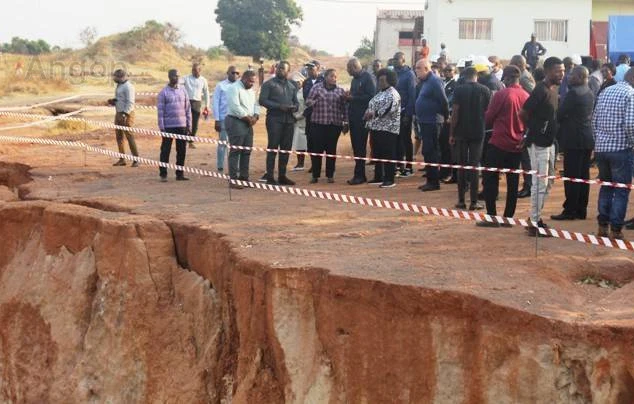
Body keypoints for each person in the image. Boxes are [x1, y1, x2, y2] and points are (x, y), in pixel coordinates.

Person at [477, 66, 530, 228]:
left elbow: (489, 117)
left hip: (499, 142)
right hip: (517, 144)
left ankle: (492, 217)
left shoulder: (502, 94)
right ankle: (508, 218)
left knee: (490, 179)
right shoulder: (526, 95)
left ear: (506, 79)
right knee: (512, 182)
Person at [520, 56, 565, 236]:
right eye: (558, 71)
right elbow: (522, 112)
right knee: (539, 184)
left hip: (550, 143)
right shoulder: (540, 90)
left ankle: (534, 218)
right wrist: (533, 130)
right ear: (547, 71)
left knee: (548, 182)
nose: (562, 74)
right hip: (539, 144)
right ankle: (535, 222)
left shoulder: (553, 90)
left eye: (563, 71)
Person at [592, 68, 634, 240]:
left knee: (606, 187)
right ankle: (616, 230)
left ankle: (603, 227)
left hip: (602, 150)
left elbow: (594, 121)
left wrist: (599, 143)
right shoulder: (631, 94)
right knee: (621, 191)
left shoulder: (606, 91)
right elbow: (631, 125)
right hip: (621, 150)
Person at [551, 66, 595, 221]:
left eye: (572, 75)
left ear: (581, 76)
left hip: (574, 140)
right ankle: (581, 209)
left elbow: (560, 114)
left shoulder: (573, 93)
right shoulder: (589, 91)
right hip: (586, 138)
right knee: (583, 176)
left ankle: (569, 210)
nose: (568, 77)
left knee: (571, 176)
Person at [449, 67, 491, 210]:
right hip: (478, 131)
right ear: (476, 76)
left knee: (461, 166)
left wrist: (451, 133)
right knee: (474, 166)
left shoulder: (459, 90)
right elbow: (488, 111)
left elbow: (455, 113)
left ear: (464, 76)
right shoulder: (485, 90)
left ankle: (461, 200)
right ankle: (474, 202)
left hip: (461, 132)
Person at [259, 60, 300, 185]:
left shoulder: (292, 85)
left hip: (289, 120)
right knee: (273, 147)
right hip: (274, 119)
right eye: (278, 68)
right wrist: (279, 106)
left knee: (285, 149)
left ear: (288, 71)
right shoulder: (268, 84)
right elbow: (262, 100)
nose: (279, 70)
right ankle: (270, 176)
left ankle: (282, 176)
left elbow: (296, 102)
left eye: (283, 68)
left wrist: (295, 107)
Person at [305, 69, 349, 183]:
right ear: (325, 77)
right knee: (317, 150)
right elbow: (308, 100)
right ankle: (315, 175)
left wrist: (346, 122)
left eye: (335, 76)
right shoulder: (316, 88)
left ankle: (330, 175)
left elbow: (344, 108)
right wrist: (312, 102)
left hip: (334, 125)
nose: (334, 78)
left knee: (331, 150)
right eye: (331, 76)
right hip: (318, 124)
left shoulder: (340, 91)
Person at [414, 58, 449, 191]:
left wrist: (446, 117)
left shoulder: (435, 81)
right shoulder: (425, 82)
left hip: (433, 122)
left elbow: (444, 101)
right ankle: (431, 178)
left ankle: (434, 182)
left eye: (418, 68)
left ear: (426, 69)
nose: (416, 71)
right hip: (425, 122)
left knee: (431, 151)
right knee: (427, 151)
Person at [364, 68, 401, 188]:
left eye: (382, 80)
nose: (380, 82)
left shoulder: (393, 94)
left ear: (390, 80)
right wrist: (367, 113)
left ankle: (390, 179)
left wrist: (374, 113)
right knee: (378, 153)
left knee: (388, 154)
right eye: (379, 80)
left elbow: (389, 109)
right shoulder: (380, 93)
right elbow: (372, 105)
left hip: (388, 129)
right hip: (376, 128)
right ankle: (378, 177)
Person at [225, 70, 259, 189]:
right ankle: (233, 180)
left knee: (246, 151)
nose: (252, 84)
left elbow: (256, 104)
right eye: (250, 81)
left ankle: (244, 178)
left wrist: (255, 116)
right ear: (244, 79)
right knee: (236, 151)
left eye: (253, 82)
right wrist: (247, 118)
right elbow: (235, 106)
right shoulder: (234, 88)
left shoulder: (251, 90)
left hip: (248, 123)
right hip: (236, 121)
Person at [157, 69, 192, 182]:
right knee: (165, 150)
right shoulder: (163, 93)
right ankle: (163, 174)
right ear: (169, 77)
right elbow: (160, 111)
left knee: (181, 151)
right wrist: (162, 127)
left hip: (182, 126)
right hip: (168, 127)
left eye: (178, 76)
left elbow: (188, 109)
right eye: (174, 76)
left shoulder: (183, 91)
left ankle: (179, 174)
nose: (176, 78)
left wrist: (189, 124)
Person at [345, 58, 376, 185]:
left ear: (355, 66)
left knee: (360, 147)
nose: (347, 70)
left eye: (349, 68)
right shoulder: (354, 80)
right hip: (353, 118)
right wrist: (349, 97)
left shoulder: (367, 78)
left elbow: (371, 97)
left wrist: (353, 98)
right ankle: (359, 174)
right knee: (356, 147)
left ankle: (360, 175)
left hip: (362, 119)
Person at [510, 55, 535, 198]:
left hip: (527, 121)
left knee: (526, 157)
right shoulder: (524, 75)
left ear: (519, 64)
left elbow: (533, 96)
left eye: (514, 65)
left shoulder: (524, 78)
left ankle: (528, 186)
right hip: (525, 119)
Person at [108, 69, 139, 167]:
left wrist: (124, 114)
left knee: (129, 136)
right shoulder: (120, 85)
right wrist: (114, 101)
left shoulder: (129, 87)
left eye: (115, 77)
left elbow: (130, 103)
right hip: (118, 113)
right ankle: (122, 159)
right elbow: (121, 99)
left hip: (127, 114)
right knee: (119, 137)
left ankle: (136, 159)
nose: (114, 79)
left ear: (121, 77)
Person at [212, 66, 240, 172]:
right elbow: (215, 102)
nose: (235, 75)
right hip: (224, 118)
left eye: (237, 73)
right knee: (223, 143)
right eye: (233, 73)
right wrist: (217, 119)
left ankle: (234, 167)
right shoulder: (221, 85)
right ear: (227, 73)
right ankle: (220, 166)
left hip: (237, 119)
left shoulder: (239, 86)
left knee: (236, 144)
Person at [393, 52, 417, 176]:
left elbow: (412, 95)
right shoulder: (393, 74)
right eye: (394, 59)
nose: (394, 61)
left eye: (397, 59)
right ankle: (398, 165)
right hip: (394, 113)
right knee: (396, 140)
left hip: (405, 112)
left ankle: (409, 167)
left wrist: (408, 114)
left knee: (406, 140)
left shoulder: (409, 74)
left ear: (403, 60)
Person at [183, 62, 210, 149]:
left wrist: (207, 105)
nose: (194, 72)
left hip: (197, 103)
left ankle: (191, 141)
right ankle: (183, 140)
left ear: (200, 70)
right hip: (186, 102)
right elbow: (178, 82)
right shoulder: (186, 78)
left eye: (195, 70)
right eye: (193, 70)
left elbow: (206, 93)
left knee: (195, 124)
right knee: (185, 122)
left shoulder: (203, 80)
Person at [302, 60, 323, 173]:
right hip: (310, 115)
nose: (309, 71)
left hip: (321, 115)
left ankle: (318, 165)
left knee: (319, 140)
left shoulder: (324, 80)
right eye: (308, 69)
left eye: (311, 68)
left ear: (318, 68)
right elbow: (306, 98)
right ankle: (313, 164)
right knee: (310, 140)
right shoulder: (306, 82)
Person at [440, 64, 457, 182]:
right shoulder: (443, 83)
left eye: (450, 70)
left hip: (450, 118)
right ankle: (444, 171)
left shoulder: (455, 84)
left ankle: (449, 172)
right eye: (445, 70)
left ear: (454, 72)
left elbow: (450, 101)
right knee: (443, 146)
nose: (447, 72)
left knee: (449, 146)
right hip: (442, 117)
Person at [290, 72, 307, 171]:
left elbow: (306, 107)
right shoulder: (293, 92)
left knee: (306, 144)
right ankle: (300, 163)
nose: (297, 84)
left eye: (298, 82)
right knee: (298, 144)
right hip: (294, 121)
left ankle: (306, 164)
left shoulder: (305, 92)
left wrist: (298, 117)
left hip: (303, 120)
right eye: (295, 82)